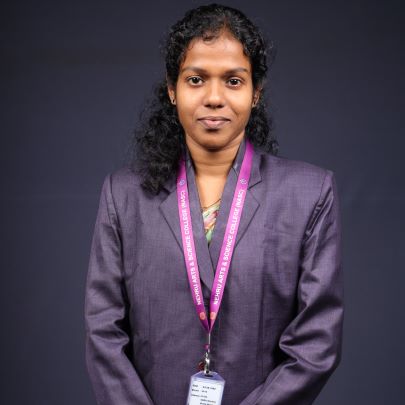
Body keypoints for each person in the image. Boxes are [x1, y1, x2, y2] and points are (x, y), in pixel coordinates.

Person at [85, 3, 343, 405]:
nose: (214, 98)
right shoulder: (124, 195)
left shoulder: (309, 194)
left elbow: (317, 342)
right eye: (196, 79)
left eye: (234, 81)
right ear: (172, 90)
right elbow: (103, 333)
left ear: (256, 93)